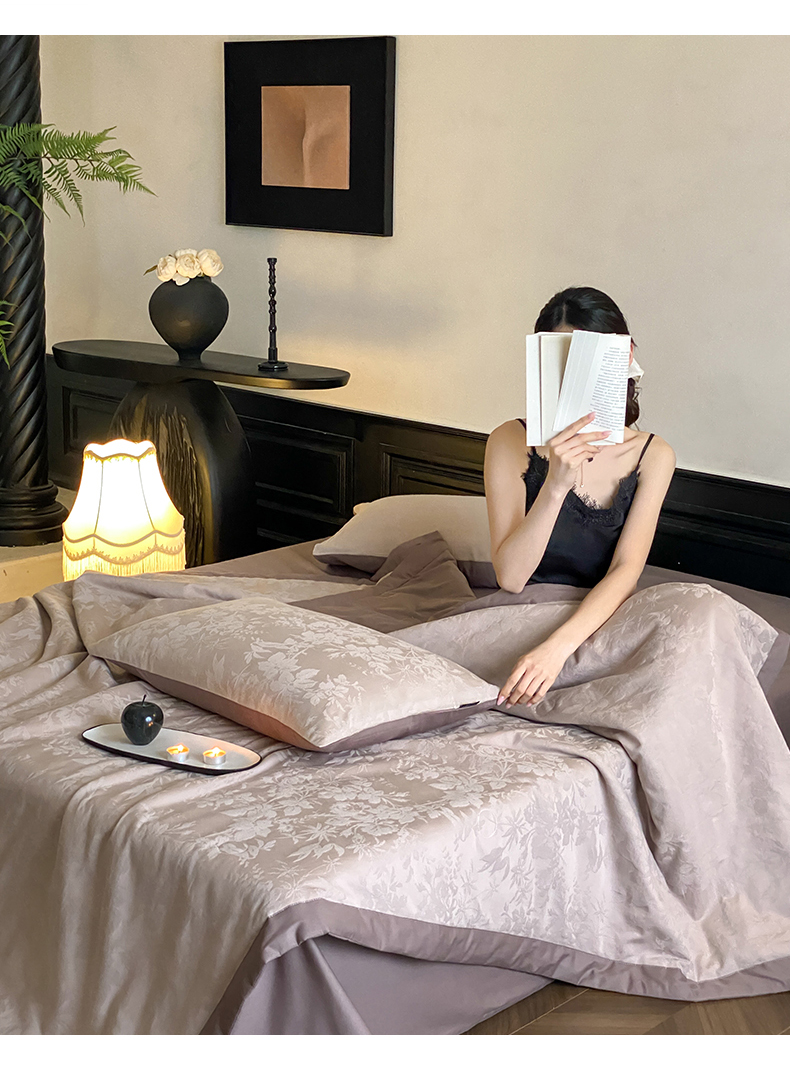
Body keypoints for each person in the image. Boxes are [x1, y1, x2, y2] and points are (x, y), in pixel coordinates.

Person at [484, 286, 676, 710]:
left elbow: (626, 571)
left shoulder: (653, 455)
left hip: (597, 623)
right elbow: (510, 577)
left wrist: (557, 650)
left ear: (623, 360)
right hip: (520, 616)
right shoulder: (509, 440)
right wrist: (556, 484)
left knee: (702, 618)